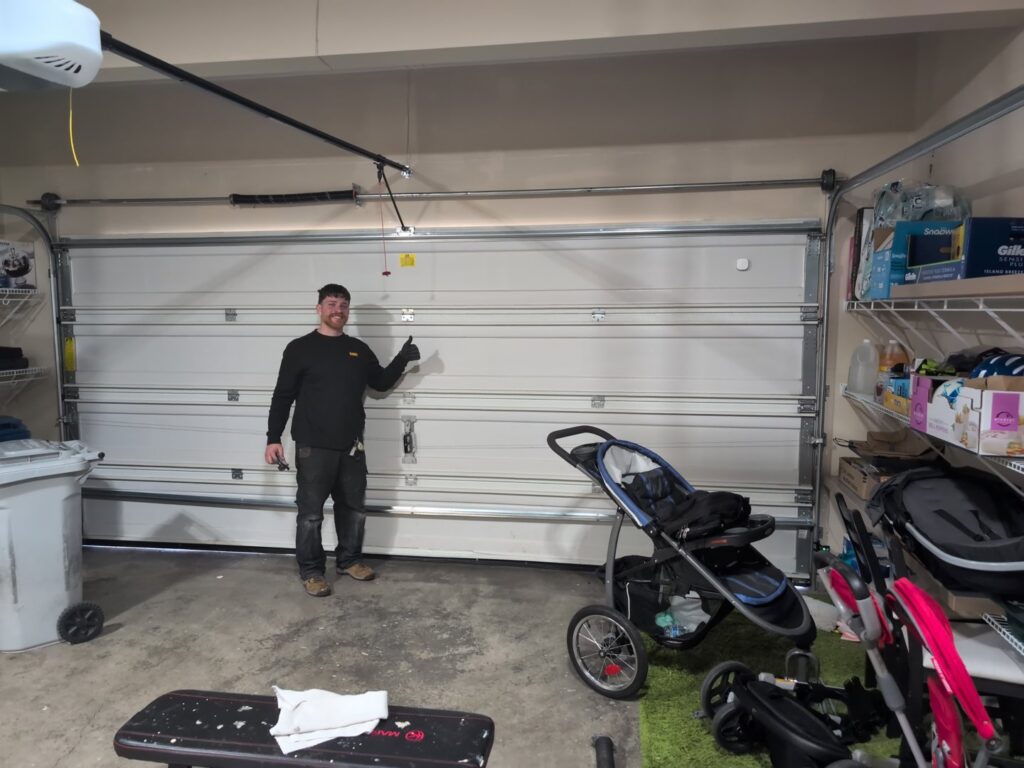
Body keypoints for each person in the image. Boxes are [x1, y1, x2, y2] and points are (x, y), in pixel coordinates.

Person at [265, 284, 420, 597]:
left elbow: (379, 383)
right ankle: (311, 571)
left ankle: (349, 560)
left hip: (351, 447)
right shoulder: (299, 348)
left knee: (353, 508)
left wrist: (402, 359)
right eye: (332, 303)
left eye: (344, 305)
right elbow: (283, 396)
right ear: (319, 308)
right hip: (313, 447)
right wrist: (273, 438)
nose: (339, 310)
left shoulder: (358, 350)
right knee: (310, 515)